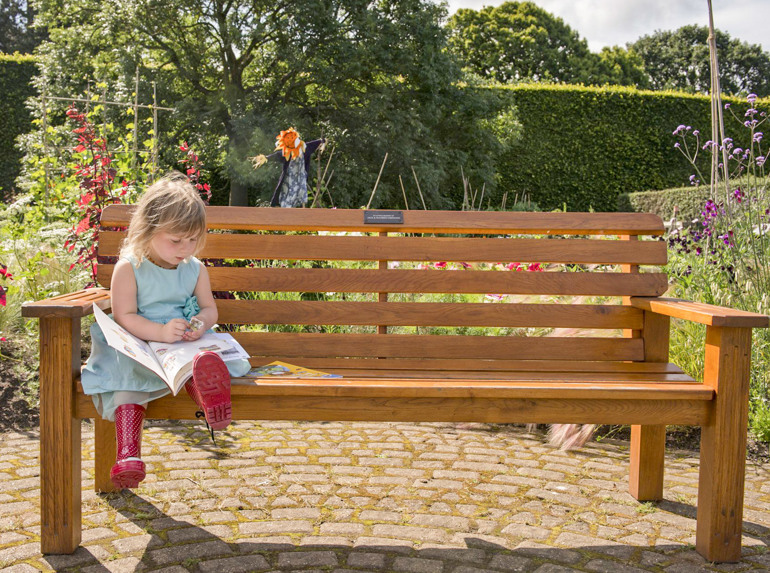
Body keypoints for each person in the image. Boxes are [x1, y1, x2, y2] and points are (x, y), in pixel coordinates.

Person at [81, 172, 251, 489]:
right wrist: (159, 332)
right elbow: (124, 316)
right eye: (175, 240)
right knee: (126, 378)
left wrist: (198, 326)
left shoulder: (195, 269)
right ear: (148, 230)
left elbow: (209, 309)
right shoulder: (129, 267)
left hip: (180, 345)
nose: (185, 248)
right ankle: (128, 454)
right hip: (140, 344)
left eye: (192, 240)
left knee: (196, 362)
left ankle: (208, 398)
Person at [251, 127, 326, 207]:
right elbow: (277, 155)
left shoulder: (305, 148)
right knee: (287, 195)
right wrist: (266, 157)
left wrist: (322, 141)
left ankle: (294, 210)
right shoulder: (287, 152)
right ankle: (286, 210)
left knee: (298, 195)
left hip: (300, 178)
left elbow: (316, 143)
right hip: (289, 179)